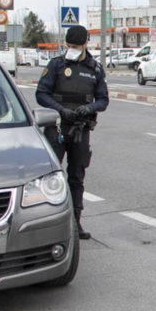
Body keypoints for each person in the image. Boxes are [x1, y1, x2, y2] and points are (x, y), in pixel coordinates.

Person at [36, 25, 109, 238]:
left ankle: (75, 223)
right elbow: (42, 93)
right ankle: (47, 224)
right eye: (69, 46)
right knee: (50, 176)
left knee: (77, 177)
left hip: (80, 128)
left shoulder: (95, 69)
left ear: (86, 44)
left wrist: (89, 108)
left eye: (76, 46)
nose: (73, 49)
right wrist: (60, 110)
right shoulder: (56, 65)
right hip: (57, 126)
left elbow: (103, 99)